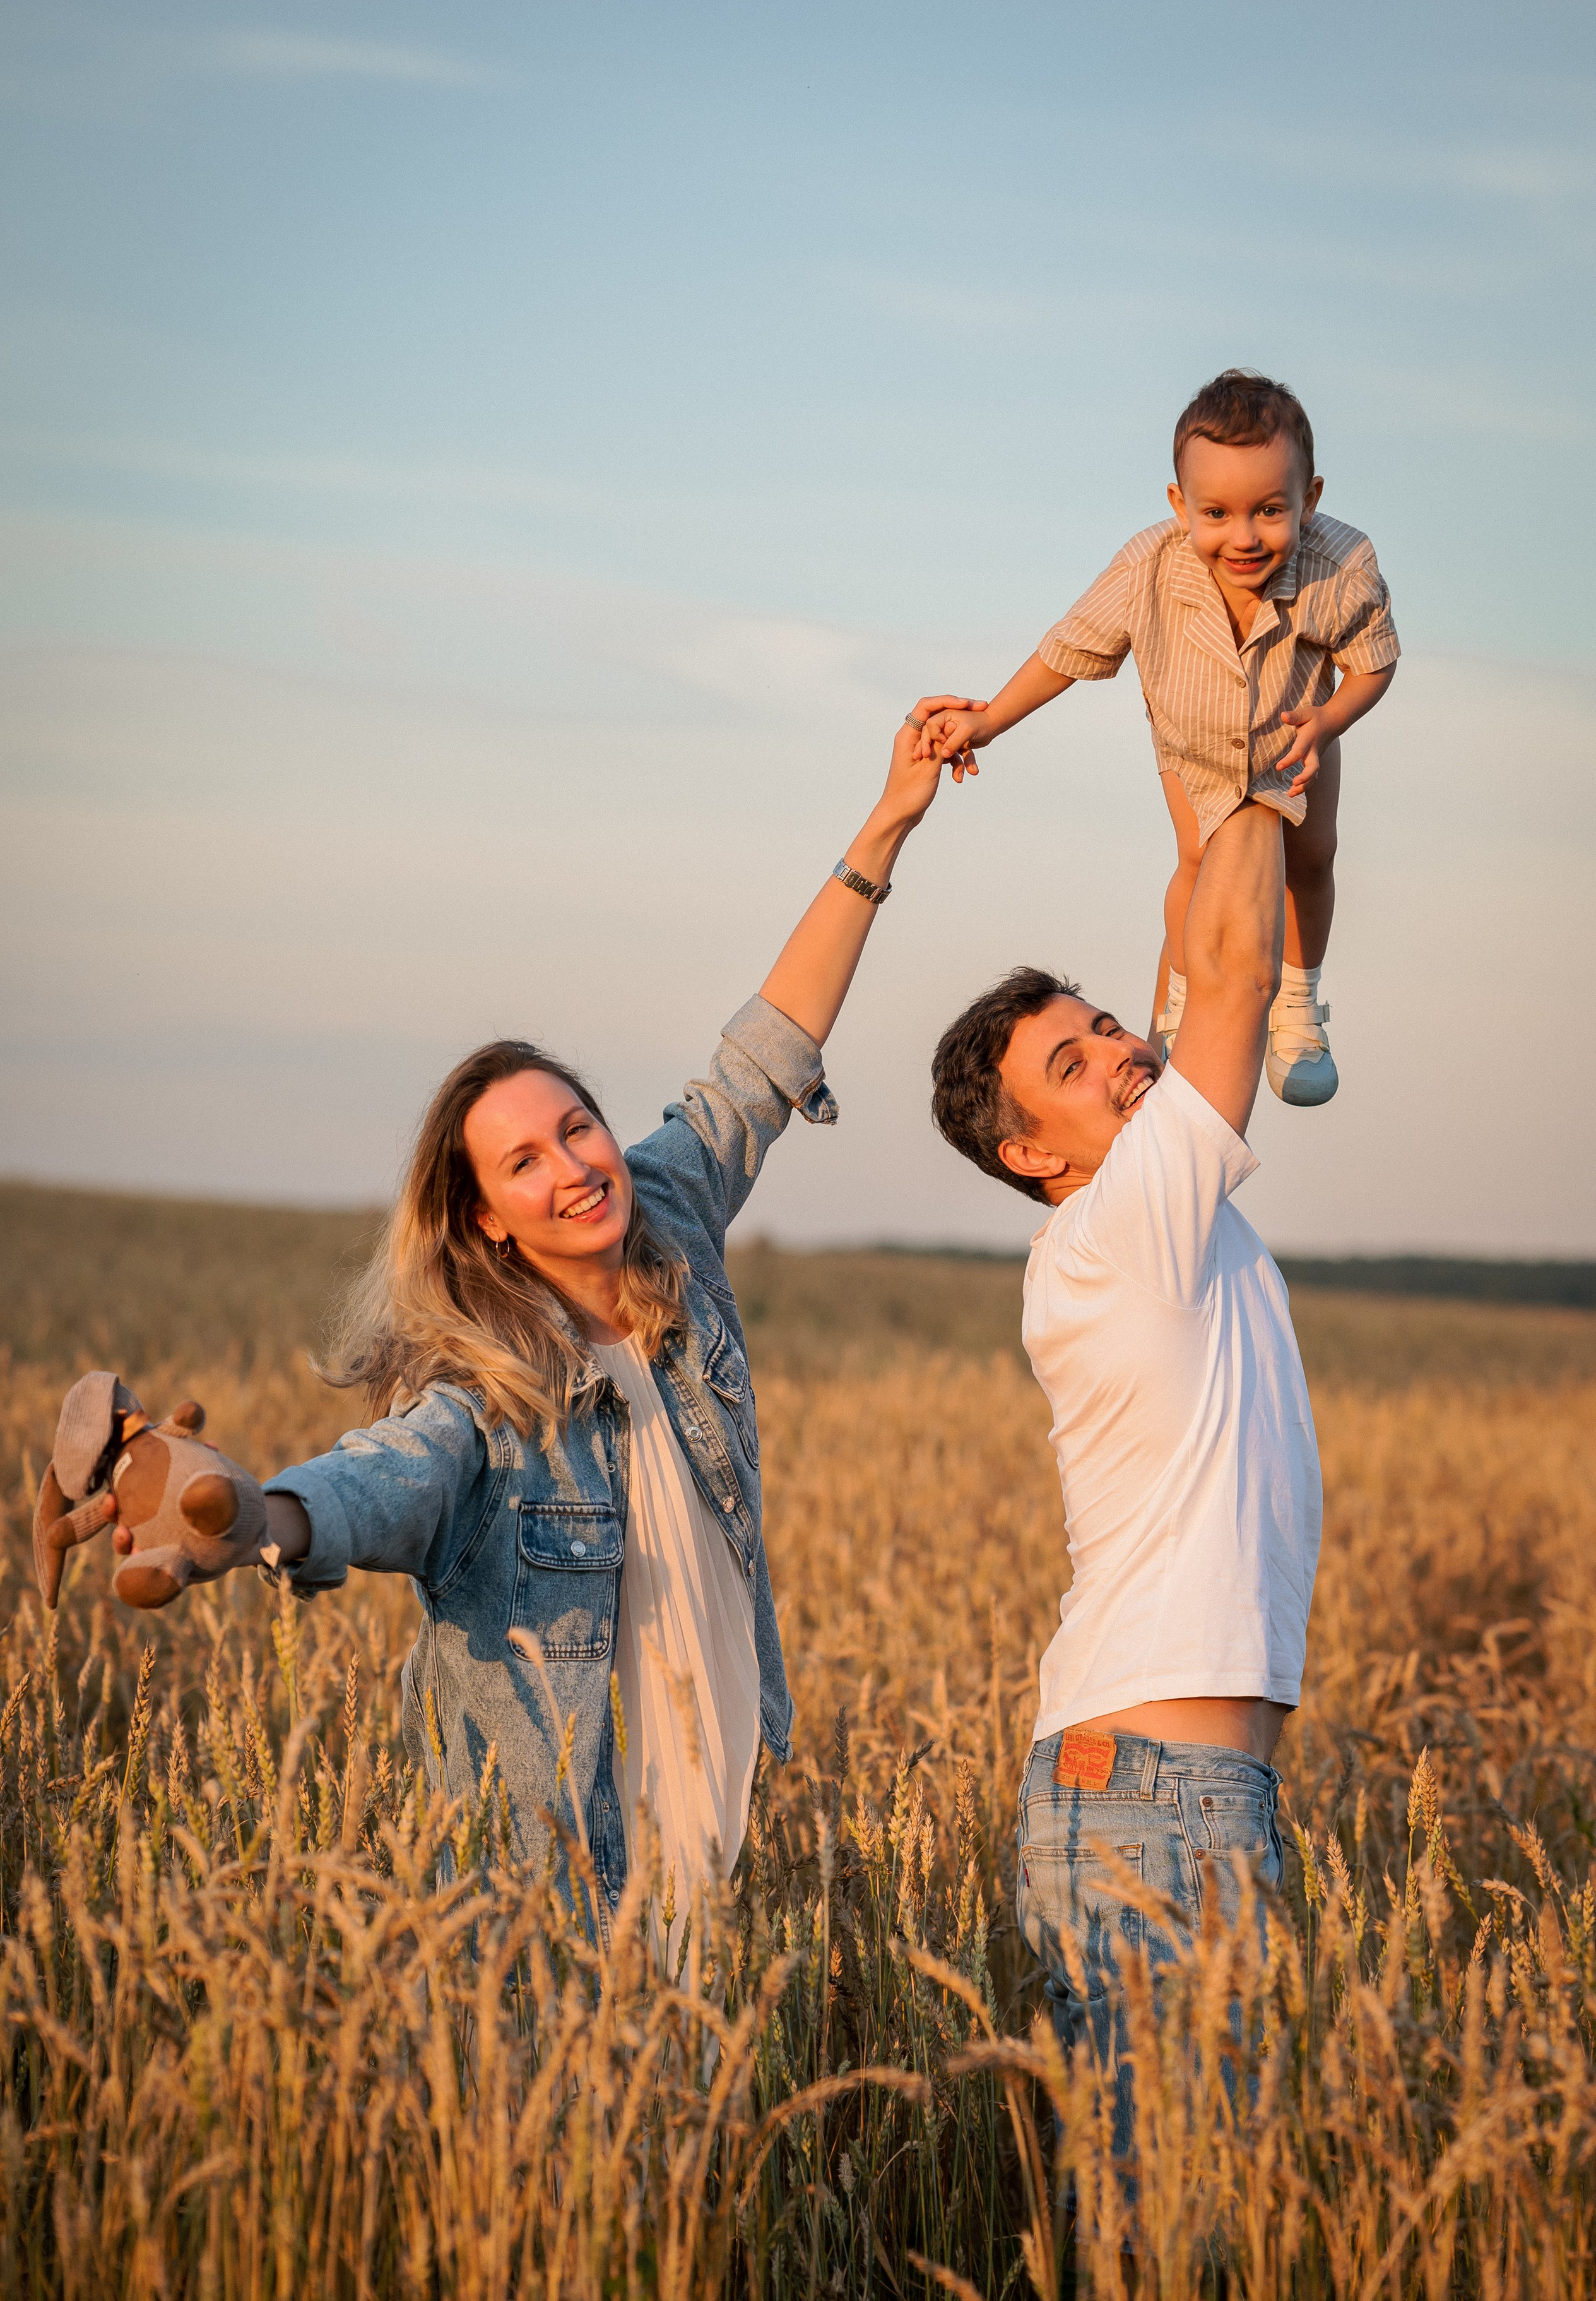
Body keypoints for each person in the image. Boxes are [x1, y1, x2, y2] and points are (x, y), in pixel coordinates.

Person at [89, 706, 974, 1965]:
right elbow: (377, 1488)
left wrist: (886, 819)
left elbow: (763, 1056)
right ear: (485, 1220)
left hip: (724, 1836)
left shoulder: (668, 1210)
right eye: (524, 1160)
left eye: (578, 1125)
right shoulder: (483, 1400)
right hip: (564, 1898)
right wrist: (254, 1513)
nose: (572, 1165)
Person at [929, 793, 1320, 2119]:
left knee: (1202, 2228)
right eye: (1067, 1063)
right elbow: (1230, 968)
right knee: (1182, 2233)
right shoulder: (1115, 1230)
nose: (1110, 1050)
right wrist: (1263, 771)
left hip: (1181, 1791)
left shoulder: (1154, 1206)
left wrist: (1212, 776)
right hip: (1152, 1796)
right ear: (1031, 1152)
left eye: (1102, 1026)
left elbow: (1195, 930)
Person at [913, 368, 1398, 1105]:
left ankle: (1298, 1007)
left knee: (1313, 858)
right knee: (1196, 862)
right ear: (1180, 505)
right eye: (1217, 512)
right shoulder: (1147, 565)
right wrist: (989, 719)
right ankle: (1177, 999)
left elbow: (1373, 665)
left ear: (1311, 499)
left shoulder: (1342, 567)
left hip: (1298, 738)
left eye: (1270, 510)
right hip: (1192, 748)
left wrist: (1330, 720)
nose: (1243, 536)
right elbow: (1066, 652)